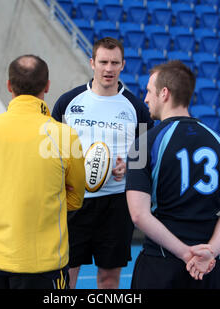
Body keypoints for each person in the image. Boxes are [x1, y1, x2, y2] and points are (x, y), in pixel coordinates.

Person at [126, 61, 220, 289]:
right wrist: (209, 253)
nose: (146, 99)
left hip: (161, 264)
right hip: (209, 267)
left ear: (164, 93)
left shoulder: (142, 144)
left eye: (149, 91)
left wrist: (186, 254)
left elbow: (138, 215)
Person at [0, 54, 85, 289]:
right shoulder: (66, 135)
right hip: (43, 265)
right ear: (47, 86)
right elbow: (75, 199)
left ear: (9, 86)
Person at [52, 37, 153, 289]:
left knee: (109, 276)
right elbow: (52, 151)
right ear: (92, 63)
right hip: (75, 200)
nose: (108, 68)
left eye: (115, 63)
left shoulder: (137, 108)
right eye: (103, 62)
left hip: (117, 203)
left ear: (123, 65)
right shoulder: (68, 103)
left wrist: (129, 166)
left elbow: (144, 155)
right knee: (67, 272)